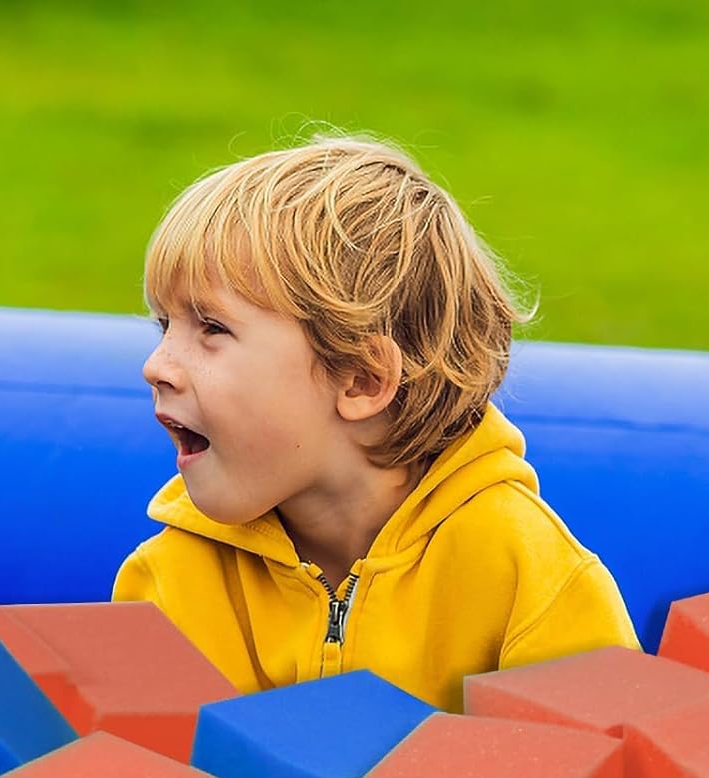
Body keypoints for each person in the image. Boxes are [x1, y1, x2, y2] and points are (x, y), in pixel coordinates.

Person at [112, 132, 639, 712]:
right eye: (164, 326)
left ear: (361, 380)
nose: (155, 366)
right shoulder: (169, 580)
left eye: (211, 327)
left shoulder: (526, 581)